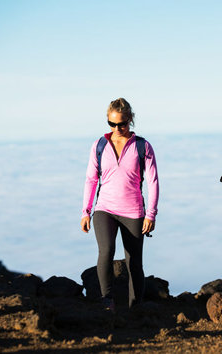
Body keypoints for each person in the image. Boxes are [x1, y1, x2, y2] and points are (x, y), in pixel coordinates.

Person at [81, 98, 159, 311]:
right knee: (106, 251)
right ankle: (107, 300)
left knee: (134, 261)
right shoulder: (99, 145)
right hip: (104, 209)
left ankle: (136, 307)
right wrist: (86, 211)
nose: (117, 129)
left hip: (133, 211)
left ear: (130, 120)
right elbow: (91, 179)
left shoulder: (142, 146)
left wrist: (150, 215)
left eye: (122, 124)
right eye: (112, 124)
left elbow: (153, 181)